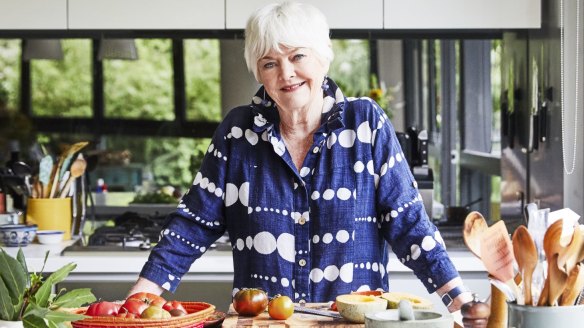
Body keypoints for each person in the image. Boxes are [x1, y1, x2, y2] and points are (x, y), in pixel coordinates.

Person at [128, 1, 473, 312]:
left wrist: (461, 302)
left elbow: (409, 223)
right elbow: (192, 224)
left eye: (297, 56)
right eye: (269, 63)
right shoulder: (237, 132)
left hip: (349, 323)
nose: (286, 73)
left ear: (322, 55)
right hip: (262, 323)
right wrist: (140, 297)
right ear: (258, 72)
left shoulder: (365, 124)